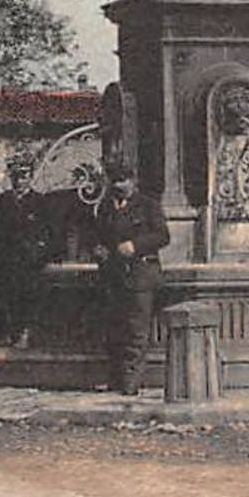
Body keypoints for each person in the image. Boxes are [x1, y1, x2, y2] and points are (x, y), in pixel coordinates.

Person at [90, 159, 170, 394]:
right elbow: (97, 235)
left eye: (123, 181)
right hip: (113, 276)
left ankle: (130, 383)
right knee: (115, 328)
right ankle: (115, 378)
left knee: (137, 330)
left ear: (132, 181)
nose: (118, 185)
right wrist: (98, 249)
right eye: (114, 181)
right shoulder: (106, 207)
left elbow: (163, 236)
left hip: (140, 275)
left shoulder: (148, 206)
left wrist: (135, 245)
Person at [0, 152, 54, 351]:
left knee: (29, 291)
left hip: (29, 260)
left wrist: (40, 253)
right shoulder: (4, 200)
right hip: (5, 258)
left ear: (30, 178)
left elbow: (48, 233)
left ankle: (23, 332)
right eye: (16, 176)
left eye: (24, 176)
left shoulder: (39, 201)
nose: (20, 181)